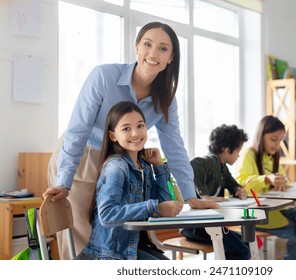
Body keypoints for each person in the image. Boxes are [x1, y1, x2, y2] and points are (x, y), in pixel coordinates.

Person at [44, 22, 216, 259]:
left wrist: (190, 195)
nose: (153, 53)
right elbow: (77, 131)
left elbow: (174, 146)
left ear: (171, 58)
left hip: (120, 166)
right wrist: (64, 182)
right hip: (83, 158)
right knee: (86, 241)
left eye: (163, 48)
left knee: (114, 240)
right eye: (147, 44)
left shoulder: (166, 98)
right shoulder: (104, 76)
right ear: (137, 47)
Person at [74, 101, 183, 260]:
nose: (135, 133)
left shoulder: (144, 166)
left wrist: (159, 167)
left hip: (133, 248)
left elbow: (167, 205)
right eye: (126, 128)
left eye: (140, 126)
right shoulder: (116, 167)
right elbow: (107, 214)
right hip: (110, 255)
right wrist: (155, 207)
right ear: (113, 136)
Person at [235, 115, 296, 260]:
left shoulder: (273, 157)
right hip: (260, 212)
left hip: (279, 208)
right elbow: (240, 183)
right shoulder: (249, 155)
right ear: (261, 136)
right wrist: (266, 179)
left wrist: (284, 183)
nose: (277, 144)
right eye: (273, 139)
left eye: (280, 140)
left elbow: (285, 180)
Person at [180, 124, 251, 260]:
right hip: (197, 227)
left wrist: (238, 190)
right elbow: (193, 165)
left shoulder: (222, 168)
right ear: (227, 150)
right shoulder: (211, 161)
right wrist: (204, 195)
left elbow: (232, 184)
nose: (239, 155)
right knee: (243, 251)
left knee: (246, 242)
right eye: (238, 151)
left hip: (209, 226)